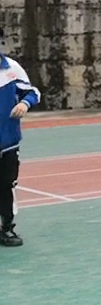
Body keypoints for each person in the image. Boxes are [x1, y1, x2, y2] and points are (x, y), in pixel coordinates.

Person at [0, 46, 41, 247]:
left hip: (8, 143)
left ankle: (7, 228)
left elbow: (33, 92)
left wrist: (25, 103)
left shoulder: (11, 68)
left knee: (6, 186)